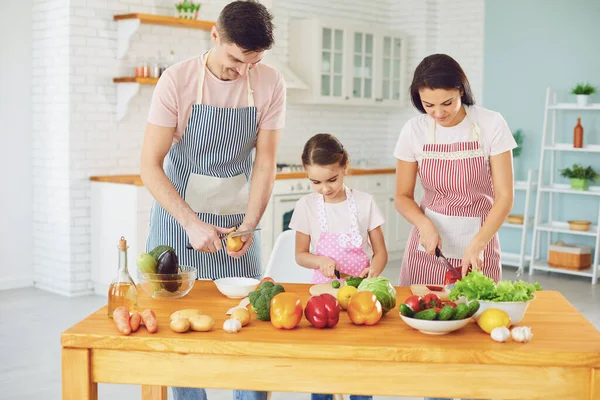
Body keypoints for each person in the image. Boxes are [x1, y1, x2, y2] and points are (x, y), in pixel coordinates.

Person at [139, 0, 285, 399]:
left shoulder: (270, 83)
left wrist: (251, 224)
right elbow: (150, 166)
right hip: (179, 222)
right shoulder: (177, 80)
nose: (242, 72)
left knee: (249, 329)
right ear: (215, 36)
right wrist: (190, 222)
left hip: (236, 223)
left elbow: (265, 162)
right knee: (180, 340)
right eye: (235, 60)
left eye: (251, 64)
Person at [394, 53, 516, 287]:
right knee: (423, 315)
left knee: (478, 316)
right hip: (428, 249)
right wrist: (423, 224)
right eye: (428, 105)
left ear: (461, 90)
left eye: (447, 103)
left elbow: (505, 197)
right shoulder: (414, 130)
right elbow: (402, 196)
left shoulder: (491, 124)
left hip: (479, 244)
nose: (438, 113)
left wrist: (479, 244)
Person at [290, 133, 388, 286]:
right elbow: (300, 255)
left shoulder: (365, 202)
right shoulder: (306, 205)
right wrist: (320, 261)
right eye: (316, 182)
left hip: (360, 287)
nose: (325, 189)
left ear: (345, 167)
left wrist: (373, 271)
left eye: (332, 180)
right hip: (324, 288)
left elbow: (380, 252)